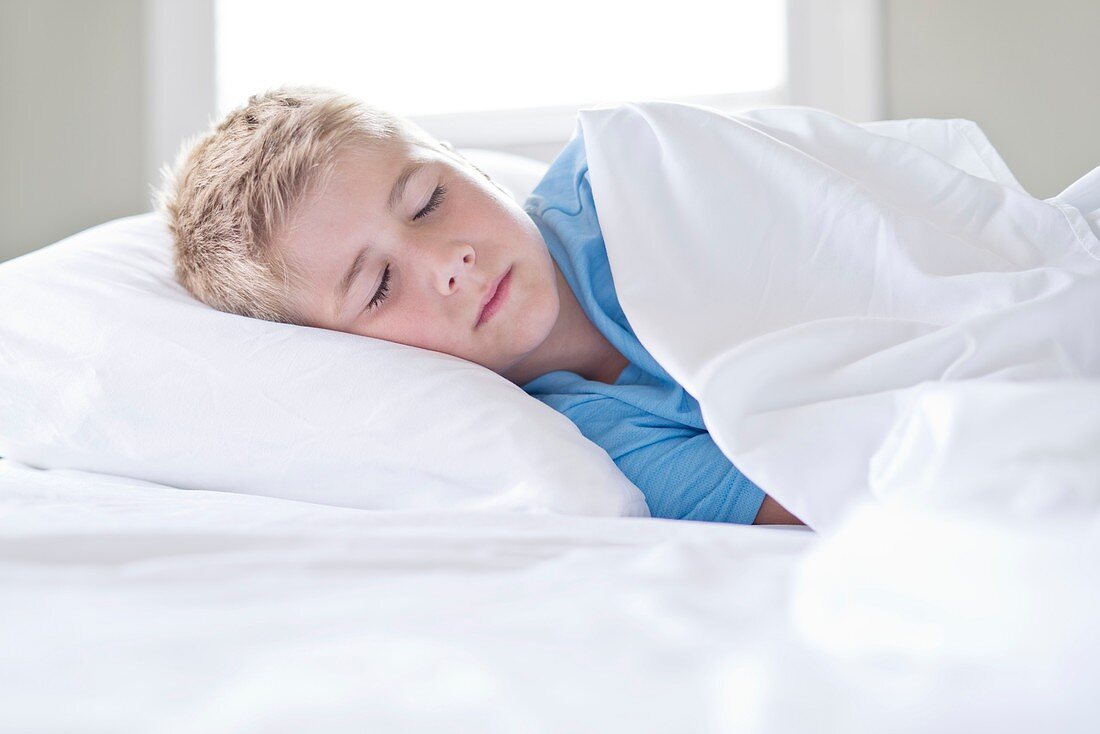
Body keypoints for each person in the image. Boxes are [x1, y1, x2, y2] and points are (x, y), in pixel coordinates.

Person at [158, 86, 803, 526]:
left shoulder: (630, 180)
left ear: (469, 166)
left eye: (427, 203)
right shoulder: (579, 446)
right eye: (379, 286)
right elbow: (827, 487)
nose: (448, 262)